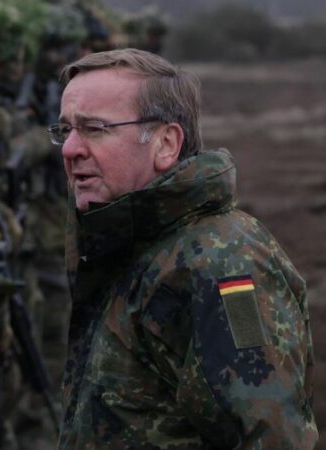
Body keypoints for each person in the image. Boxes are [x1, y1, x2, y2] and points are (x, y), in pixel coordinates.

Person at [53, 48, 317, 449]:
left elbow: (270, 437)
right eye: (64, 130)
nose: (70, 149)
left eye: (94, 129)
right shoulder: (128, 244)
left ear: (165, 143)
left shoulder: (222, 264)